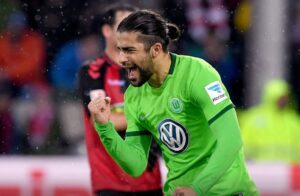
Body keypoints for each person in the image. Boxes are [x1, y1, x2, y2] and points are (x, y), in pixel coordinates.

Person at [88, 10, 258, 196]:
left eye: (129, 50)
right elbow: (136, 165)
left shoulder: (197, 74)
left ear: (155, 50)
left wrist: (198, 188)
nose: (121, 59)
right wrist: (105, 128)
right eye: (120, 49)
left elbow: (231, 140)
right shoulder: (134, 95)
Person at [78, 4, 162, 196]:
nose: (132, 32)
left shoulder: (150, 71)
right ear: (107, 31)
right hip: (111, 182)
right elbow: (103, 119)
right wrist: (147, 115)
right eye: (125, 25)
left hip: (150, 180)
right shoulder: (92, 71)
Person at [239, 79, 300, 163]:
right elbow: (243, 144)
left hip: (288, 170)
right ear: (271, 97)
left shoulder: (293, 120)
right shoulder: (253, 118)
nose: (284, 101)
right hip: (259, 169)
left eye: (285, 97)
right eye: (281, 97)